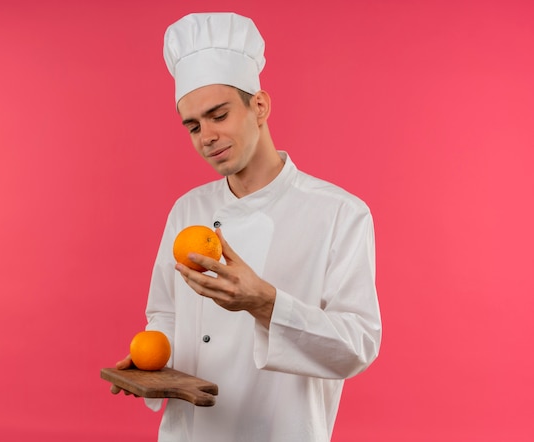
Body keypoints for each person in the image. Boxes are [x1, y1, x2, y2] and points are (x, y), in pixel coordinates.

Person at [115, 12, 382, 442]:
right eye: (193, 125)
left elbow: (357, 346)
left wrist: (266, 303)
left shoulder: (340, 213)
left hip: (281, 430)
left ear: (259, 106)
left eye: (218, 115)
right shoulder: (188, 210)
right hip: (189, 433)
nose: (207, 136)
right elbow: (164, 312)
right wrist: (148, 360)